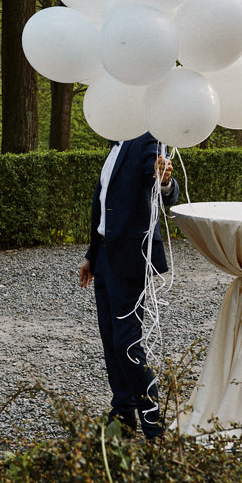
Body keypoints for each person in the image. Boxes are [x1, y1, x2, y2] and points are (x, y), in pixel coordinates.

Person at [78, 133, 179, 439]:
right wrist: (91, 255)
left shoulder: (148, 137)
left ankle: (153, 424)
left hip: (131, 257)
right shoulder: (116, 139)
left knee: (126, 344)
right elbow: (105, 204)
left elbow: (163, 187)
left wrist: (165, 180)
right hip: (104, 255)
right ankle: (122, 416)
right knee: (111, 341)